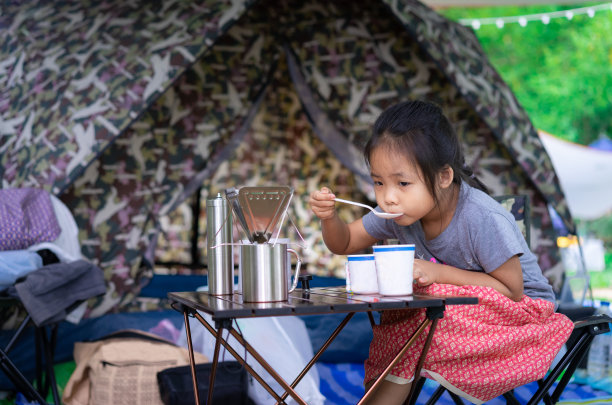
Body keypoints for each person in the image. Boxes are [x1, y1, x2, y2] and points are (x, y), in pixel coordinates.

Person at [309, 100, 573, 404]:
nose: (388, 197)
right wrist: (329, 218)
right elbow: (343, 243)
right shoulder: (398, 212)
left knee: (421, 325)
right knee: (408, 319)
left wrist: (436, 272)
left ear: (443, 177)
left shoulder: (481, 217)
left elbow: (512, 290)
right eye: (378, 182)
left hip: (524, 315)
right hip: (462, 311)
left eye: (403, 182)